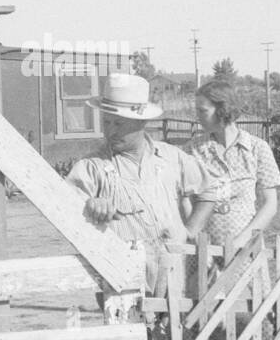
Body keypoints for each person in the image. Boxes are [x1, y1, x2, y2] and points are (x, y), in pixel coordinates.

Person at [66, 72, 219, 295]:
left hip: (176, 275)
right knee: (132, 328)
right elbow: (65, 205)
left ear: (141, 122)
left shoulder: (171, 157)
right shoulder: (93, 166)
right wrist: (90, 204)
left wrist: (189, 230)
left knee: (180, 327)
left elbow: (208, 191)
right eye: (106, 122)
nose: (110, 131)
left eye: (118, 123)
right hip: (125, 279)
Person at [187, 80, 280, 261]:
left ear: (223, 110)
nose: (197, 117)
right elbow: (184, 201)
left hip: (245, 251)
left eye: (202, 111)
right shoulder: (192, 150)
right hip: (203, 252)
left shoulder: (257, 149)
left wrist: (240, 242)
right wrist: (197, 242)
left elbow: (270, 204)